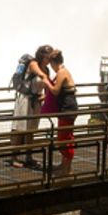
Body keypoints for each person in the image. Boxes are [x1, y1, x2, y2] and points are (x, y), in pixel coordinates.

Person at [10, 44, 52, 169]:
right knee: (20, 129)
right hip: (25, 100)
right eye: (48, 58)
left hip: (36, 102)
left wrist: (45, 97)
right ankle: (13, 157)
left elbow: (46, 86)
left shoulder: (47, 69)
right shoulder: (34, 64)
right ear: (41, 56)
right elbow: (43, 77)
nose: (49, 61)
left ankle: (29, 157)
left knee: (31, 130)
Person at [41, 49, 78, 177]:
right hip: (65, 108)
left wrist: (46, 82)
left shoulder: (62, 72)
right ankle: (64, 165)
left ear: (53, 63)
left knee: (64, 139)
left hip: (68, 109)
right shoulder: (62, 71)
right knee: (64, 137)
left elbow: (56, 91)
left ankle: (68, 170)